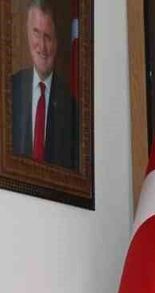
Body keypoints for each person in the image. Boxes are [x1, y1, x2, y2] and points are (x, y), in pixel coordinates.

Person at [9, 0, 79, 170]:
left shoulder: (72, 107)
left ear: (56, 42)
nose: (41, 46)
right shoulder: (9, 90)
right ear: (27, 34)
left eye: (47, 37)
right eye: (36, 33)